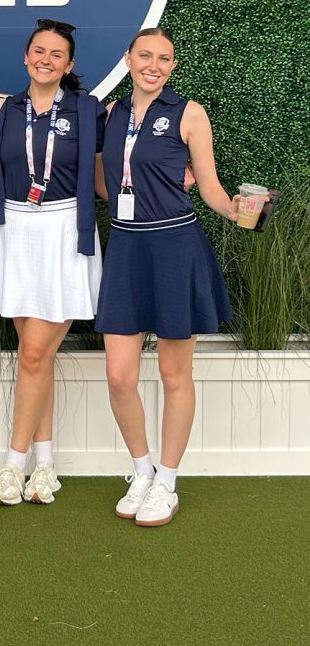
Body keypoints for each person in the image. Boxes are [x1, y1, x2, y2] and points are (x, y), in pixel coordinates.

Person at [95, 27, 238, 527]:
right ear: (128, 58)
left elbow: (211, 187)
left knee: (175, 375)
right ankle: (142, 471)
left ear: (173, 66)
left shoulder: (189, 113)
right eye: (145, 56)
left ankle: (168, 482)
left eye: (164, 58)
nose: (153, 65)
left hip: (176, 246)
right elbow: (105, 182)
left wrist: (238, 211)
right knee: (119, 376)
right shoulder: (110, 115)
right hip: (126, 247)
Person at [0, 19, 105, 505]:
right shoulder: (6, 109)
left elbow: (120, 158)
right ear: (26, 56)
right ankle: (46, 467)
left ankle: (13, 466)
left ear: (69, 65)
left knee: (33, 354)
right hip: (16, 231)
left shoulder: (88, 109)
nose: (46, 60)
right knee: (39, 357)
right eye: (39, 51)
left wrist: (170, 171)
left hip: (63, 231)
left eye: (57, 54)